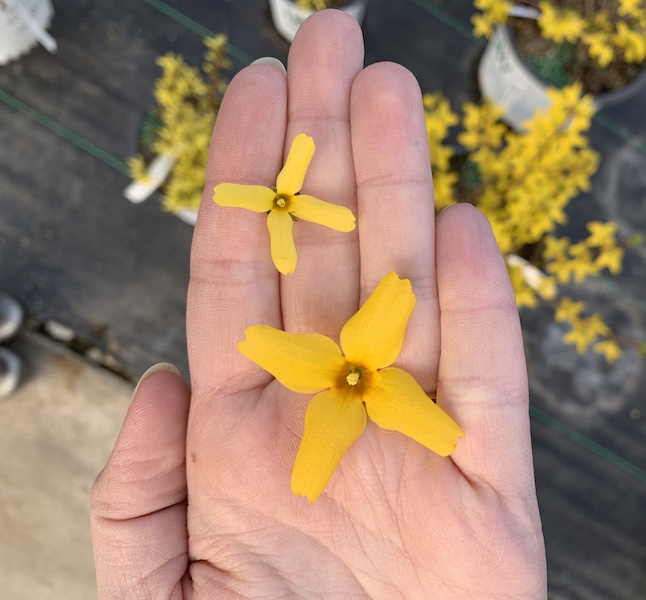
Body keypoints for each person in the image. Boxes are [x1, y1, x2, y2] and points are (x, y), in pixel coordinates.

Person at [90, 10, 546, 599]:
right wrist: (306, 356)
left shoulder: (363, 372)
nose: (356, 376)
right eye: (355, 378)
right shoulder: (343, 377)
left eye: (356, 378)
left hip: (354, 371)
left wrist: (385, 324)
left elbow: (407, 404)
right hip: (339, 372)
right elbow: (317, 379)